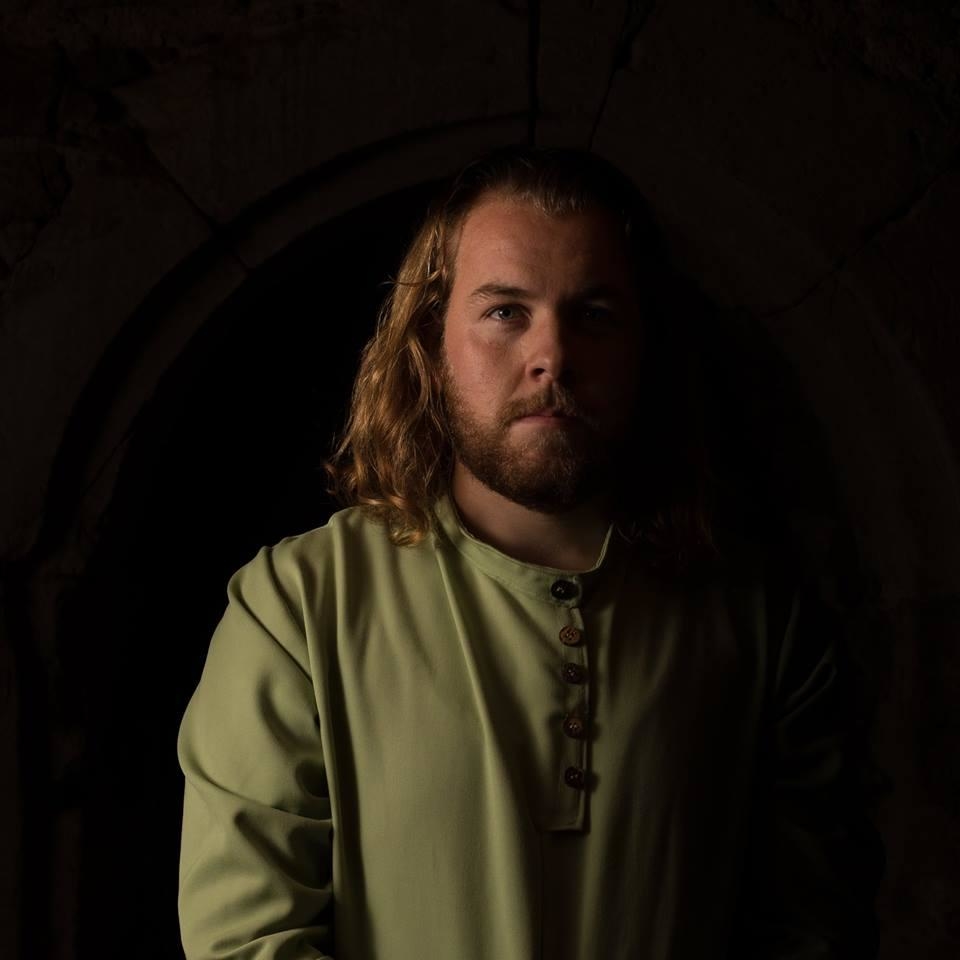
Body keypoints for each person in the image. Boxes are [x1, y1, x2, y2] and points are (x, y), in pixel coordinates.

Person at [177, 145, 882, 959]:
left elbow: (815, 933)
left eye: (595, 314)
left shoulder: (762, 621)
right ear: (432, 341)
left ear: (645, 346)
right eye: (506, 311)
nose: (553, 357)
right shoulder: (295, 609)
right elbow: (247, 943)